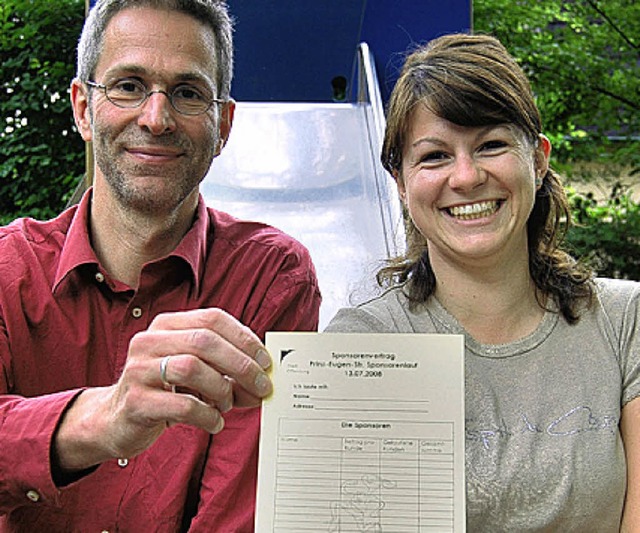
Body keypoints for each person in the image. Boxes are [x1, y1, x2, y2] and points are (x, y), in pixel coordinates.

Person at [0, 0, 320, 531]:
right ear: (83, 108)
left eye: (188, 93)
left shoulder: (271, 276)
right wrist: (100, 420)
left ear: (223, 124)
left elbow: (236, 514)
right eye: (128, 85)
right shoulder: (9, 270)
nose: (156, 117)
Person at [325, 33, 640, 531]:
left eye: (491, 145)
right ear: (401, 184)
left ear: (538, 160)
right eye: (434, 156)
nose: (467, 177)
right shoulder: (363, 344)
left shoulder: (626, 323)